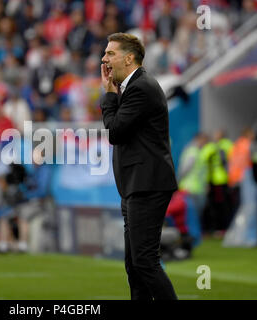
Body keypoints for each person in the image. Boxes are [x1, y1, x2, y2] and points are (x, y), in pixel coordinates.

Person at [100, 33, 178, 300]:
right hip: (136, 184)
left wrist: (109, 95)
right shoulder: (133, 87)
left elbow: (115, 131)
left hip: (148, 184)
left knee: (144, 261)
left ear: (129, 58)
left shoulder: (141, 87)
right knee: (135, 265)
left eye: (110, 53)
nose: (104, 58)